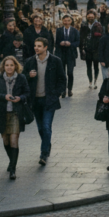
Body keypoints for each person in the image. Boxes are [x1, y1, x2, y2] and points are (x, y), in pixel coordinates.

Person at [24, 38, 66, 166]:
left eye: (39, 46)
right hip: (35, 100)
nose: (36, 48)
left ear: (45, 47)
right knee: (41, 128)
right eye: (35, 46)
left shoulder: (55, 61)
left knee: (47, 127)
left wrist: (57, 94)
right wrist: (28, 76)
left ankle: (43, 153)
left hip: (49, 100)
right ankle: (47, 144)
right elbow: (22, 79)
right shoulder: (30, 62)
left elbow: (62, 79)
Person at [0, 56, 30, 180]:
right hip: (2, 113)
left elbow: (27, 93)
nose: (9, 67)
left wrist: (20, 98)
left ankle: (13, 168)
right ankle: (11, 160)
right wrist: (4, 96)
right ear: (3, 67)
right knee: (6, 140)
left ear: (15, 66)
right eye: (7, 65)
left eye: (11, 65)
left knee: (14, 140)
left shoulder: (21, 78)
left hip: (16, 113)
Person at [54, 14, 80, 98]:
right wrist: (60, 43)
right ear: (62, 21)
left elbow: (78, 42)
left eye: (68, 20)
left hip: (70, 54)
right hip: (61, 54)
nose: (66, 22)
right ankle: (63, 90)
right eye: (65, 20)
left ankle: (70, 89)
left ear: (71, 21)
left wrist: (71, 44)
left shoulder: (75, 31)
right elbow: (56, 42)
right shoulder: (59, 30)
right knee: (62, 73)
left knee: (70, 72)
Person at [80, 10, 103, 89]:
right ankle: (90, 81)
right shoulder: (84, 25)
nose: (90, 18)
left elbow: (101, 36)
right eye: (89, 17)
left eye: (92, 17)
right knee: (88, 66)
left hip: (96, 49)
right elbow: (81, 37)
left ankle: (95, 81)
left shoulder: (98, 25)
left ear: (95, 17)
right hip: (87, 49)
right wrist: (82, 48)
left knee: (96, 66)